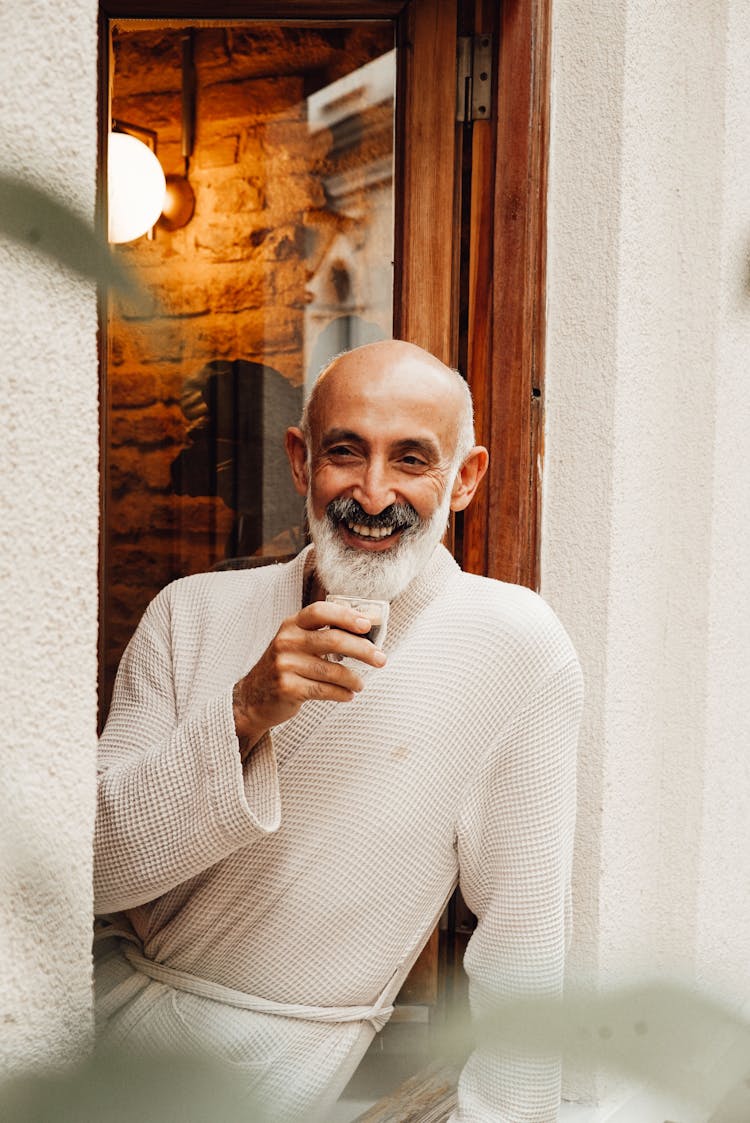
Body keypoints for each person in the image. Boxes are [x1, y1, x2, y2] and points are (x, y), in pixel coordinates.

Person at [94, 339, 583, 1122]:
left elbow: (524, 949)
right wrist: (245, 712)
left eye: (413, 459)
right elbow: (92, 871)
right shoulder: (189, 612)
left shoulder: (514, 645)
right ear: (300, 462)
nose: (374, 490)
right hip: (84, 1038)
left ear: (465, 479)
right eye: (345, 452)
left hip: (269, 1080)